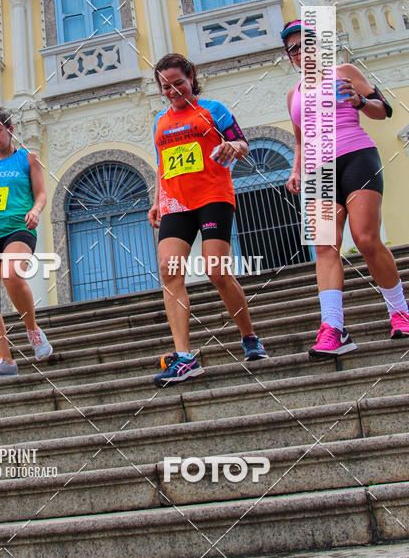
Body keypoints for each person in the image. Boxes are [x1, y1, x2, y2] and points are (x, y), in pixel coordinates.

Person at [282, 19, 409, 356]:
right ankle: (333, 329)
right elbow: (299, 141)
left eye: (304, 45)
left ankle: (400, 312)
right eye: (292, 49)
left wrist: (359, 102)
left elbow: (384, 111)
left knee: (366, 239)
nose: (299, 53)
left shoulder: (345, 71)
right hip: (317, 171)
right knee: (325, 246)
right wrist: (295, 171)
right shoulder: (293, 94)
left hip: (356, 156)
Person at [149, 53, 267, 388]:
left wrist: (234, 146)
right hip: (175, 203)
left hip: (213, 197)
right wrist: (157, 201)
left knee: (217, 272)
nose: (172, 91)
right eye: (165, 86)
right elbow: (162, 165)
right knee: (169, 271)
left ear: (191, 78)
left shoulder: (214, 110)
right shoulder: (159, 121)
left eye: (178, 84)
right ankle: (185, 357)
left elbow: (241, 142)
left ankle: (249, 337)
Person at [0, 109, 52, 381]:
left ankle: (33, 331)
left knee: (12, 274)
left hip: (18, 227)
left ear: (10, 129)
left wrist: (36, 211)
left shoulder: (28, 159)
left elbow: (40, 194)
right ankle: (4, 359)